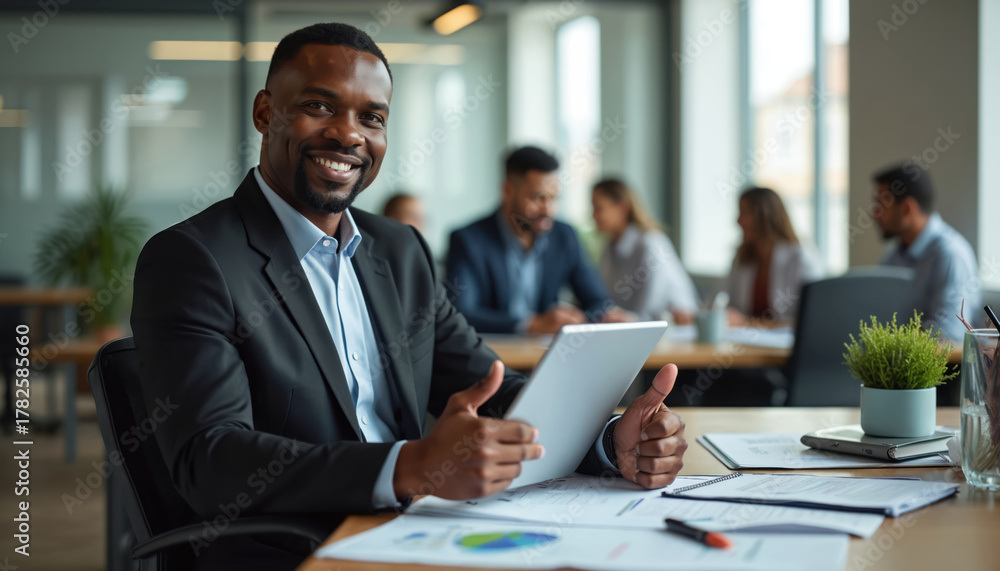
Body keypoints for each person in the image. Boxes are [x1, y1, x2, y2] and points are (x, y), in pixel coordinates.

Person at [130, 23, 686, 570]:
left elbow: (490, 388)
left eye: (371, 117)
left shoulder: (398, 251)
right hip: (296, 551)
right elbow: (212, 459)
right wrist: (410, 465)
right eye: (320, 107)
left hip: (419, 530)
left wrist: (611, 440)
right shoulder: (193, 259)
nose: (349, 135)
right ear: (265, 113)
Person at [446, 146, 629, 334]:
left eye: (553, 198)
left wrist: (576, 320)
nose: (548, 210)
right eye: (537, 198)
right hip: (492, 357)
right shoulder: (469, 240)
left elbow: (599, 302)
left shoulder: (564, 236)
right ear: (508, 191)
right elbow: (460, 313)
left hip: (548, 356)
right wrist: (531, 324)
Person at [872, 164, 980, 342]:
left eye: (880, 205)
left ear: (907, 208)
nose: (874, 214)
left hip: (941, 368)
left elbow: (949, 338)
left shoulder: (950, 254)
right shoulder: (894, 256)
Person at [591, 178, 700, 324]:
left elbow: (649, 308)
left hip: (676, 329)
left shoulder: (650, 243)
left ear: (622, 208)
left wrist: (626, 318)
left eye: (599, 208)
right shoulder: (610, 247)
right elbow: (607, 297)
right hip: (639, 327)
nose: (593, 215)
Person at [725, 187, 822, 325]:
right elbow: (732, 308)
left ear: (765, 216)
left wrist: (747, 322)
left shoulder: (801, 257)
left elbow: (812, 318)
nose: (738, 221)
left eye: (745, 213)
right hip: (744, 341)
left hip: (784, 344)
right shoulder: (742, 257)